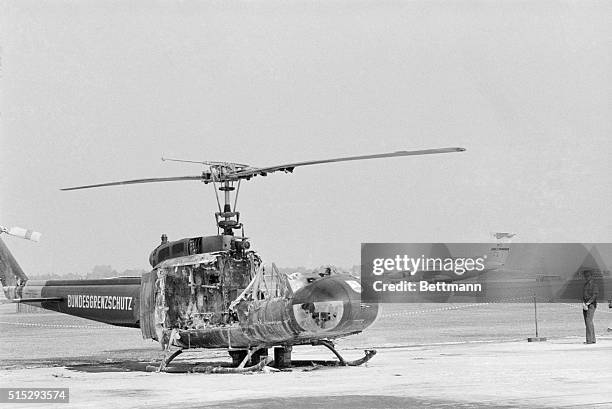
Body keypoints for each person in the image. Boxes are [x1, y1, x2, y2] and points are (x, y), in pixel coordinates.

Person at [581, 270, 599, 344]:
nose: (586, 277)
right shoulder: (585, 284)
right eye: (585, 276)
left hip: (591, 305)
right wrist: (583, 303)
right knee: (588, 322)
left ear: (591, 276)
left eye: (587, 276)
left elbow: (595, 295)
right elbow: (584, 295)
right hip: (585, 304)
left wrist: (588, 303)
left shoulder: (594, 285)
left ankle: (589, 340)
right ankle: (592, 339)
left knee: (588, 321)